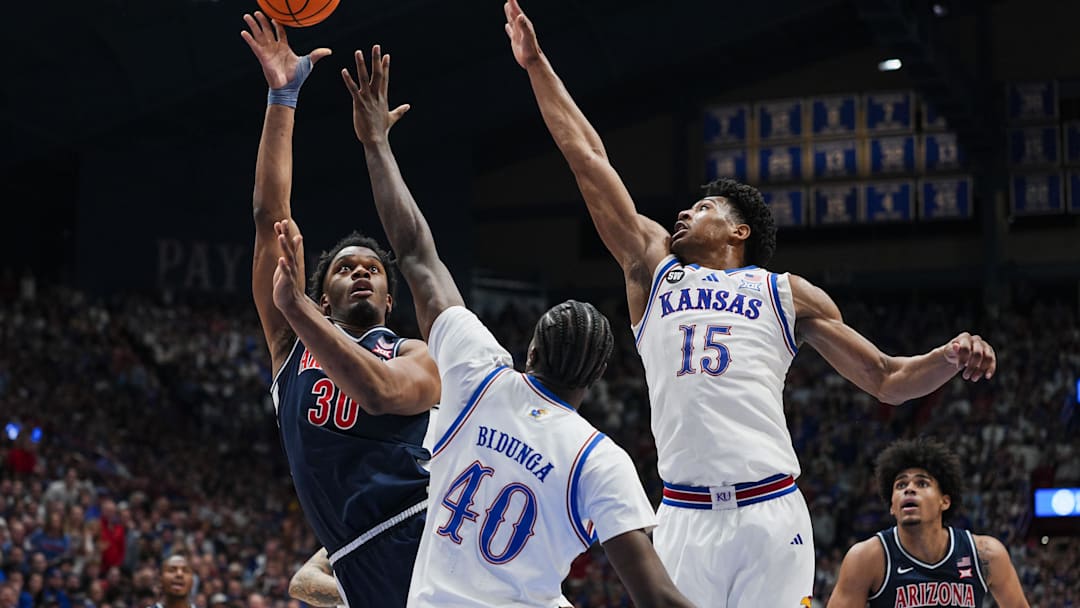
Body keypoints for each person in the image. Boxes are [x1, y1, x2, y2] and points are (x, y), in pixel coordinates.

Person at [502, 1, 999, 605]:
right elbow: (588, 157)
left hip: (770, 512)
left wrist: (950, 355)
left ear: (739, 232)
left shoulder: (784, 292)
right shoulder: (652, 269)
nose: (685, 212)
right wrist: (535, 66)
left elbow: (887, 378)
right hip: (683, 513)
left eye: (704, 208)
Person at [283, 43, 693, 607]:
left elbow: (416, 251)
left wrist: (376, 144)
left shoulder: (479, 373)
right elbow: (657, 599)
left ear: (528, 353)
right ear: (595, 379)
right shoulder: (601, 458)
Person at [240, 12, 441, 608]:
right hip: (358, 557)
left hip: (428, 530)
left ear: (388, 296)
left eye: (373, 269)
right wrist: (283, 96)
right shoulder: (290, 347)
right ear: (324, 295)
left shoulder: (416, 354)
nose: (360, 271)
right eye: (345, 267)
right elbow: (267, 214)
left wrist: (299, 309)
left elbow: (383, 394)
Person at [828, 438, 1029, 607]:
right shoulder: (867, 558)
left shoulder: (985, 554)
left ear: (945, 501)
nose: (909, 489)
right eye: (901, 485)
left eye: (922, 483)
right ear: (892, 506)